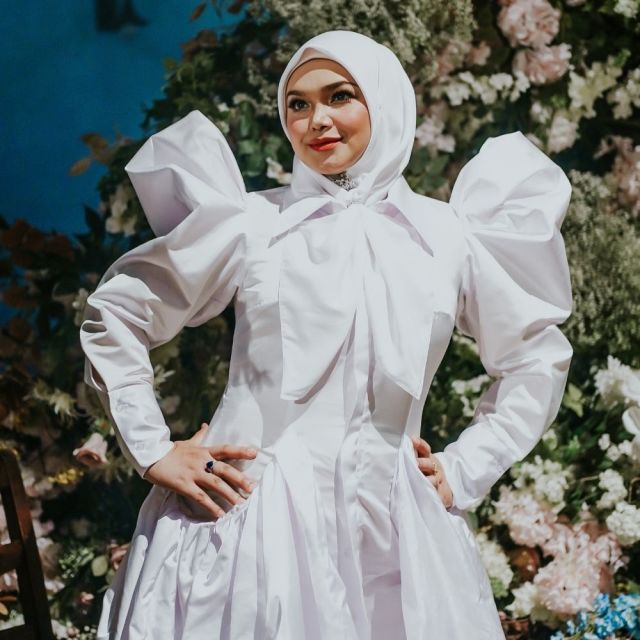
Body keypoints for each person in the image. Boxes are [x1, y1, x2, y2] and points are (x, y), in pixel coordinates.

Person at [79, 29, 573, 640]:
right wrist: (153, 448)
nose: (316, 120)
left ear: (384, 101)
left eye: (340, 96)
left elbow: (534, 356)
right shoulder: (253, 223)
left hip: (398, 537)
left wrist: (466, 467)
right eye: (298, 103)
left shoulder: (447, 235)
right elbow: (118, 312)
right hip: (249, 531)